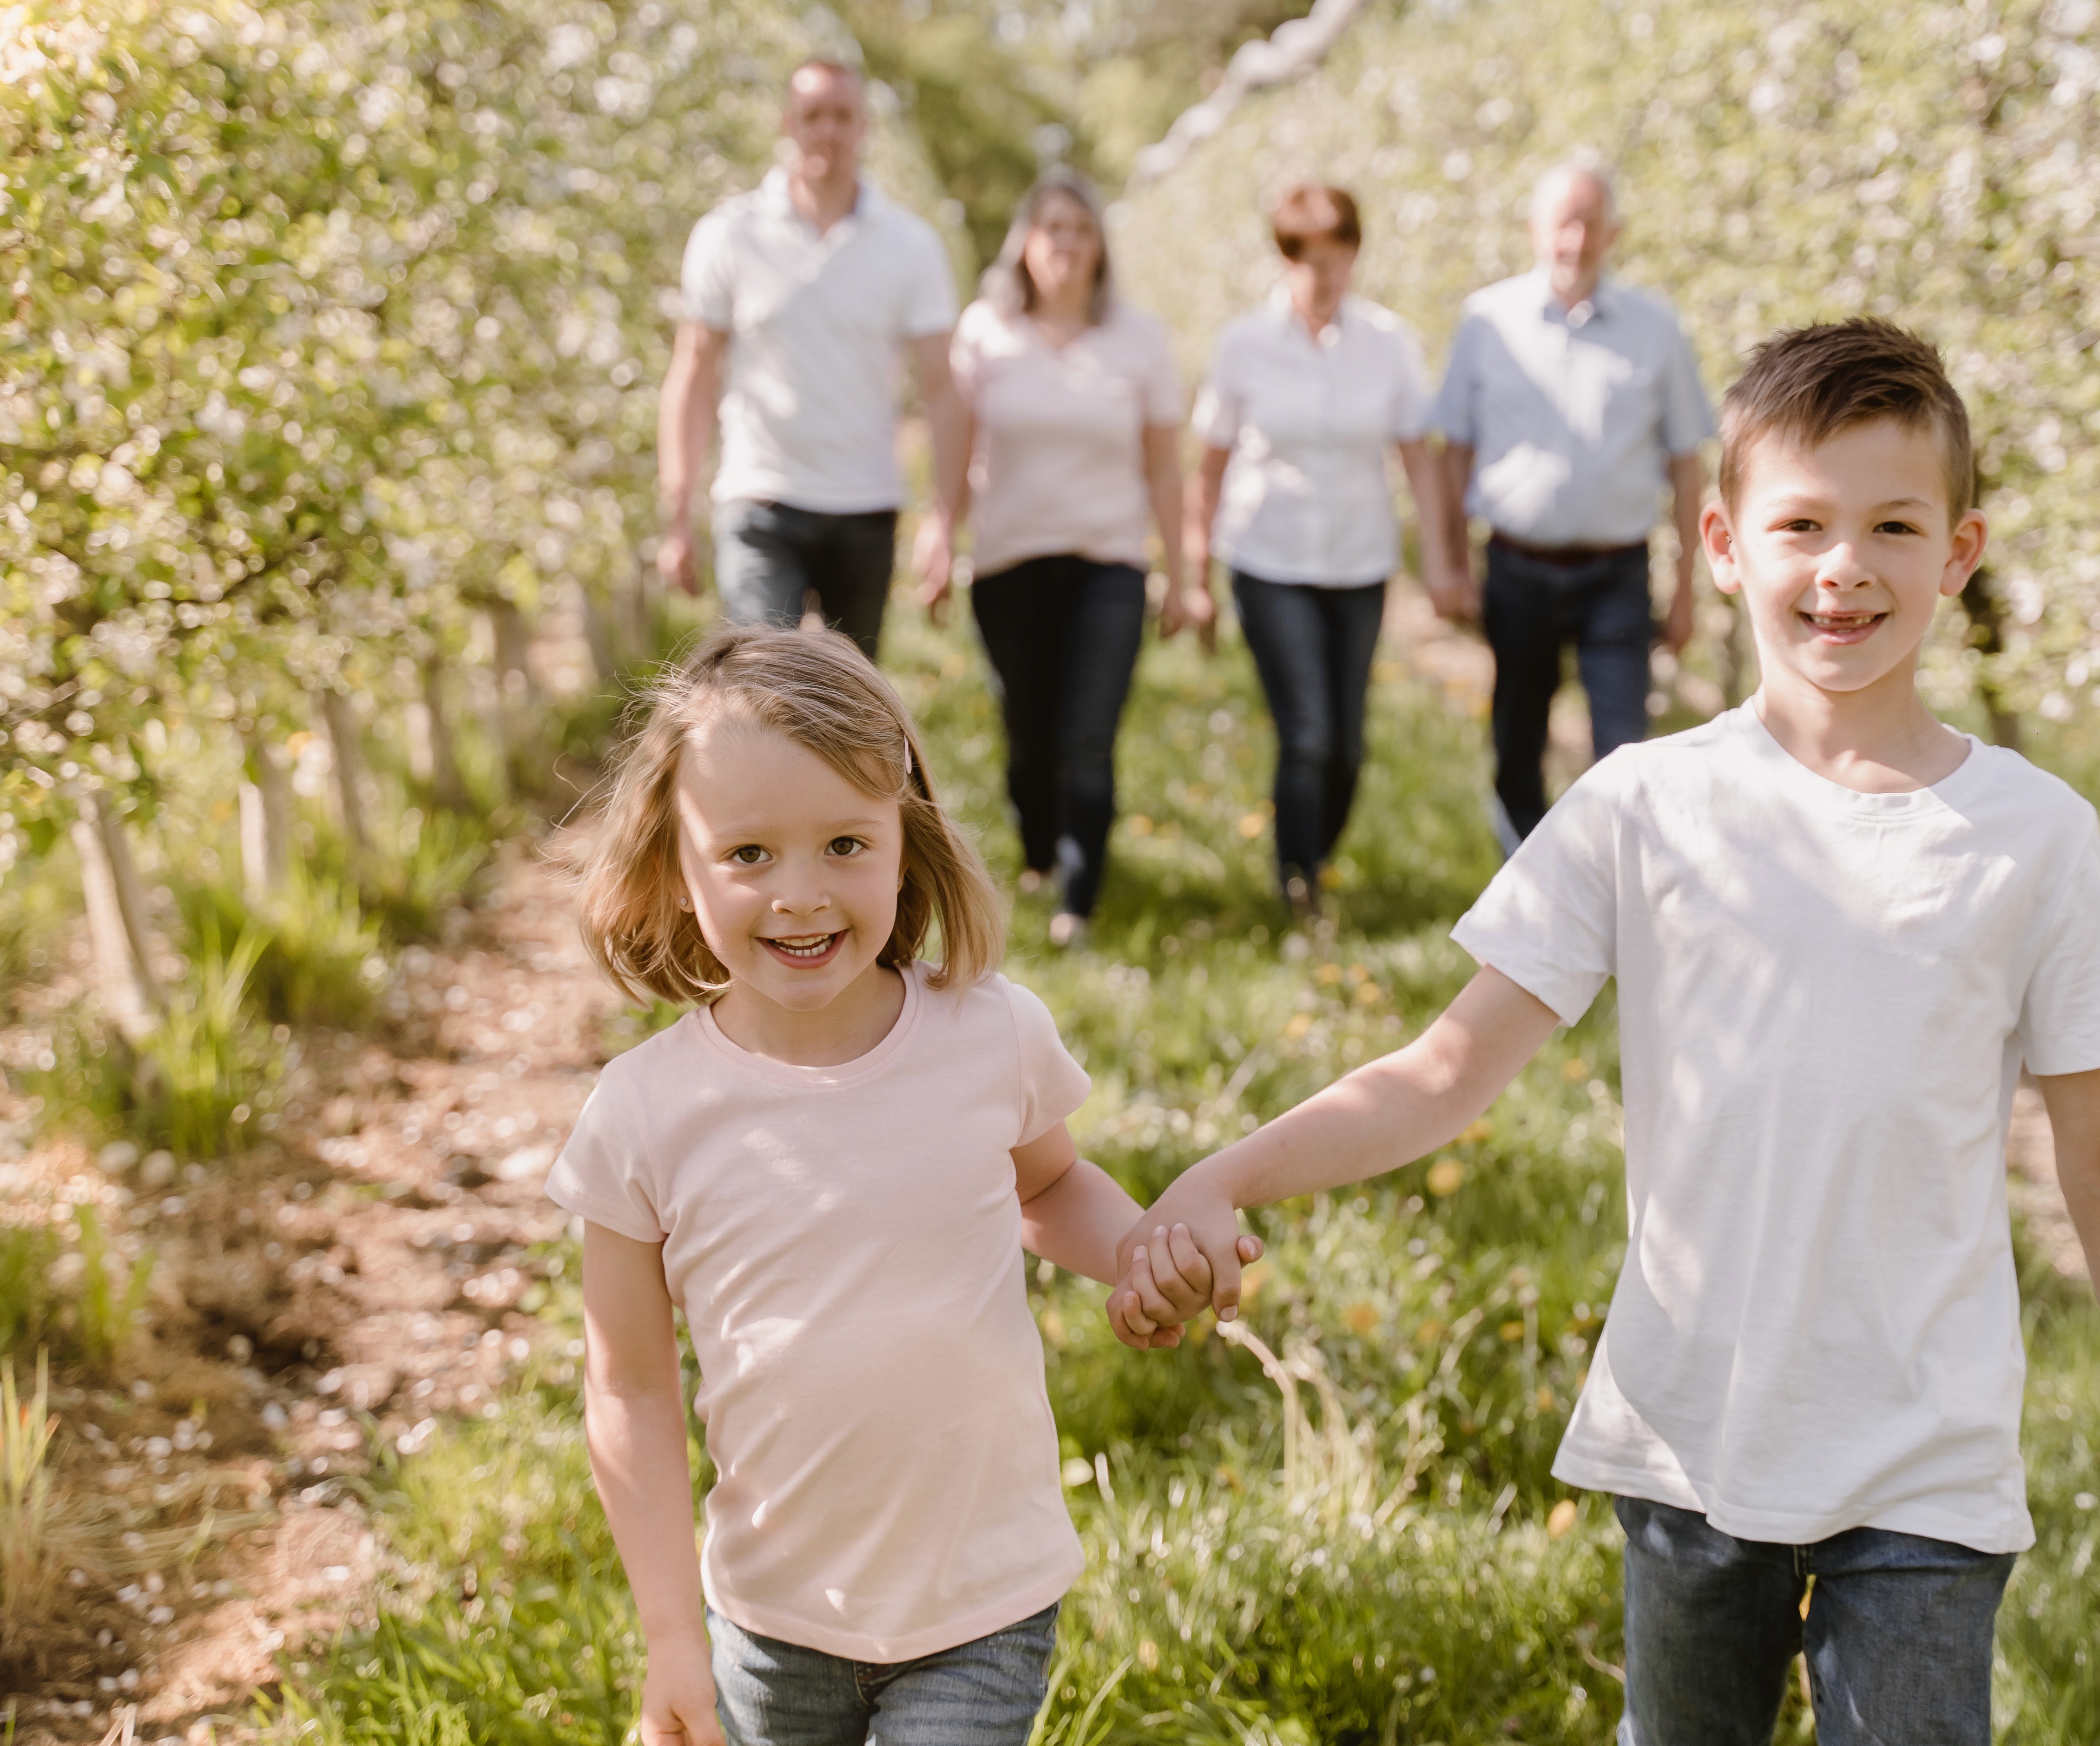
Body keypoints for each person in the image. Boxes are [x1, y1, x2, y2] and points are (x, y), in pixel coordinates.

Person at [1121, 322, 2100, 1746]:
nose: (1843, 566)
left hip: (1924, 1458)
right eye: (1801, 524)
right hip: (1690, 1439)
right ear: (1719, 544)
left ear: (1957, 553)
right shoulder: (1642, 806)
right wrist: (1226, 1175)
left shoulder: (2029, 836)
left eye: (1892, 526)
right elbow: (1444, 1071)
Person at [551, 625, 1246, 1746]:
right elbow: (627, 1385)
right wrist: (673, 1636)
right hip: (770, 1621)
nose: (801, 894)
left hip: (981, 1598)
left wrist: (1140, 1254)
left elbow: (1049, 1187)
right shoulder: (643, 1114)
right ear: (675, 871)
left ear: (904, 842)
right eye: (748, 854)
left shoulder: (986, 1034)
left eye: (844, 843)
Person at [1180, 184, 1466, 918]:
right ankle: (1298, 885)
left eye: (1339, 259)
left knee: (1346, 746)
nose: (1327, 276)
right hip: (1269, 560)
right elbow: (1208, 470)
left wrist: (1440, 561)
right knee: (1306, 732)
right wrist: (1195, 574)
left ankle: (1315, 854)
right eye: (1311, 261)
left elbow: (1418, 459)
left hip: (1358, 563)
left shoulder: (1388, 343)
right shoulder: (1244, 345)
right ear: (1286, 259)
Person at [923, 170, 1185, 949]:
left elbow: (1164, 468)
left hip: (1109, 564)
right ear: (1025, 245)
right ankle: (1039, 851)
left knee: (1088, 735)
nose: (1065, 243)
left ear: (1100, 246)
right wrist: (939, 532)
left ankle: (1079, 896)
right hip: (1007, 563)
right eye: (1051, 228)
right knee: (1028, 732)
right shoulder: (985, 333)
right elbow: (955, 445)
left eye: (1080, 229)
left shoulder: (1138, 340)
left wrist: (1184, 571)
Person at [1430, 158, 1716, 844]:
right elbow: (1453, 452)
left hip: (1617, 577)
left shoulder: (1656, 328)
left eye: (1589, 224)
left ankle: (1609, 889)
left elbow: (1686, 465)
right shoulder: (1487, 321)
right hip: (1516, 570)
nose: (1575, 241)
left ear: (1613, 232)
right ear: (1534, 229)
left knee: (1625, 755)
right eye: (1563, 223)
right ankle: (1524, 886)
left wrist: (1685, 590)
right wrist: (1452, 565)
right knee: (1517, 743)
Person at [656, 59, 965, 660]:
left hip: (865, 504)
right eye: (813, 115)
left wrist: (944, 520)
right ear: (788, 123)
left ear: (864, 126)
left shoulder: (910, 246)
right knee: (760, 682)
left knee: (848, 698)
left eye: (842, 116)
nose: (828, 130)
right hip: (760, 501)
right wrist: (678, 514)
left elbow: (942, 389)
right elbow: (692, 375)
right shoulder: (730, 234)